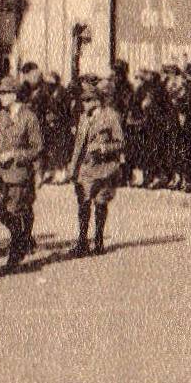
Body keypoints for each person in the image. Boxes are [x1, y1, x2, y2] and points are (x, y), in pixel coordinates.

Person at [0, 75, 43, 270]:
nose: (0, 96)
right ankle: (23, 239)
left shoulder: (29, 117)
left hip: (19, 175)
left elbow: (37, 148)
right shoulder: (2, 115)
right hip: (0, 174)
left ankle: (15, 253)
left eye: (4, 93)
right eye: (0, 93)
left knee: (14, 210)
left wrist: (15, 154)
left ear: (14, 95)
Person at [69, 80, 126, 254]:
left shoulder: (110, 116)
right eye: (83, 100)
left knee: (101, 204)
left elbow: (121, 142)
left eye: (88, 100)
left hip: (105, 168)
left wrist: (103, 148)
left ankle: (99, 240)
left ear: (97, 100)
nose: (84, 104)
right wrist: (72, 168)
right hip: (86, 168)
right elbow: (78, 145)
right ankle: (82, 241)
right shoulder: (84, 118)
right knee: (83, 204)